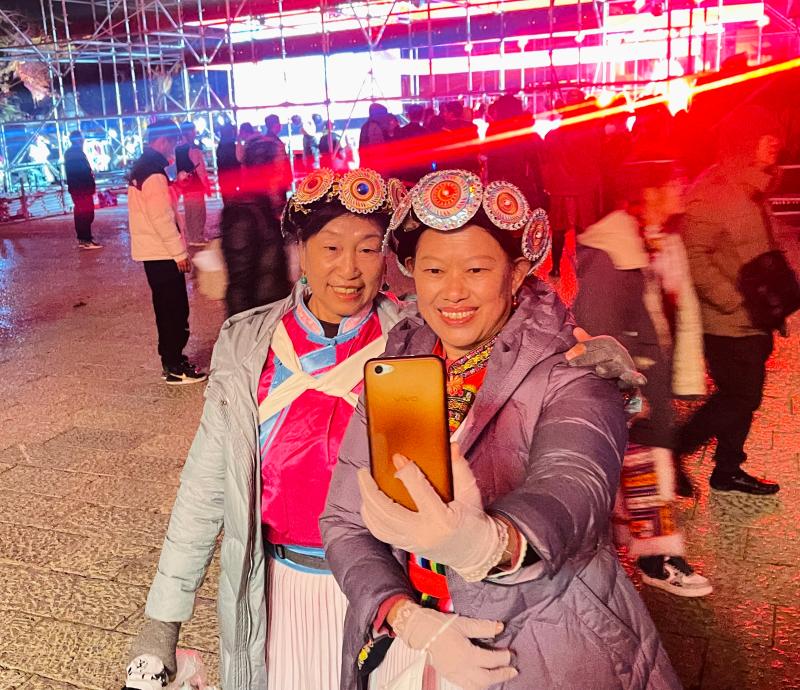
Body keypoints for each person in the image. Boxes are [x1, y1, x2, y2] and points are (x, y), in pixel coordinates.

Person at [123, 167, 643, 690]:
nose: (349, 269)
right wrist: (163, 620)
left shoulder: (410, 335)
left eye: (369, 249)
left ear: (390, 260)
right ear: (300, 250)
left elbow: (508, 335)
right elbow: (205, 487)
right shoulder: (249, 345)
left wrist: (586, 351)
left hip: (393, 587)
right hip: (283, 584)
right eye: (331, 248)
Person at [321, 169, 680, 690]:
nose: (453, 291)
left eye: (476, 269)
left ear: (515, 275)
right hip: (414, 648)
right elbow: (343, 521)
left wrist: (490, 545)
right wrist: (404, 614)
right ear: (412, 274)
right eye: (434, 270)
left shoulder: (573, 370)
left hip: (540, 645)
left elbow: (573, 485)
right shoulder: (399, 366)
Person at [573, 160, 712, 597]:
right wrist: (630, 389)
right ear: (647, 192)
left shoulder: (650, 241)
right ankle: (657, 560)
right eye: (673, 182)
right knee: (644, 471)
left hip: (648, 384)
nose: (682, 187)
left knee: (641, 473)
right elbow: (597, 331)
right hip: (631, 392)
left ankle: (636, 556)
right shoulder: (612, 254)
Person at [674, 105, 783, 495]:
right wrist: (734, 300)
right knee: (741, 395)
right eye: (766, 137)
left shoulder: (752, 188)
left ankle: (727, 469)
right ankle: (676, 448)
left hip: (754, 316)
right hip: (727, 320)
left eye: (776, 137)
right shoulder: (713, 191)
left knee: (744, 396)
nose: (775, 144)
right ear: (745, 142)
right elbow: (693, 256)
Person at [127, 119, 207, 386]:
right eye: (172, 143)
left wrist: (175, 187)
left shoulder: (145, 168)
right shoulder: (154, 173)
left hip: (153, 252)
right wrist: (179, 252)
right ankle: (174, 365)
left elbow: (156, 206)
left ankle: (172, 360)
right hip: (162, 252)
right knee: (174, 309)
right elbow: (161, 217)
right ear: (162, 141)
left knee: (166, 307)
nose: (173, 148)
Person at [220, 136, 292, 317]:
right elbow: (239, 285)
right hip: (260, 315)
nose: (284, 170)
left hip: (273, 309)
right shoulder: (242, 212)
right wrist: (242, 329)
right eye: (280, 163)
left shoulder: (267, 206)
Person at [542, 93, 604, 278]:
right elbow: (597, 158)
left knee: (558, 230)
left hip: (560, 188)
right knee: (584, 230)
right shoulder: (590, 134)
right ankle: (584, 267)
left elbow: (546, 160)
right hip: (584, 187)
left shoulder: (552, 136)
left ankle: (556, 267)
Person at [64, 130, 101, 249]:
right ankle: (86, 239)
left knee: (81, 213)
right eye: (82, 138)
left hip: (78, 189)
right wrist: (89, 185)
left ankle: (83, 238)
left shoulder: (72, 153)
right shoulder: (76, 154)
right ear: (79, 139)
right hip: (82, 190)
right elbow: (82, 173)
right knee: (86, 214)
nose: (84, 140)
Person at [175, 122, 210, 246]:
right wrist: (206, 185)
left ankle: (191, 237)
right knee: (198, 212)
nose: (195, 133)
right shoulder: (193, 149)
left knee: (189, 212)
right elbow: (200, 169)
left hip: (185, 186)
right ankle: (197, 237)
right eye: (194, 130)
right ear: (189, 132)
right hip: (196, 184)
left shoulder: (177, 149)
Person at [262, 114, 293, 215]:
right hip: (277, 181)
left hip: (270, 181)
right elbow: (280, 163)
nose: (280, 125)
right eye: (278, 123)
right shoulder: (273, 142)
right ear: (275, 125)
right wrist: (287, 177)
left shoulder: (265, 140)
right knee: (278, 210)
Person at [215, 123, 240, 205]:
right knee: (233, 202)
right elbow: (235, 162)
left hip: (224, 178)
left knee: (228, 201)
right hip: (232, 178)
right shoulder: (231, 146)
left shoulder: (221, 146)